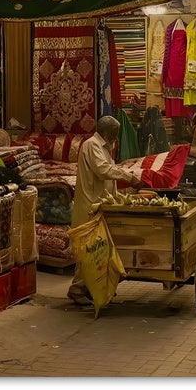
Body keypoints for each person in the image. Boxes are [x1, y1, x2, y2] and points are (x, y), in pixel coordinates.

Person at [67, 114, 143, 305]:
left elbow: (108, 170)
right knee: (89, 248)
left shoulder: (104, 146)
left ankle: (94, 287)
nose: (117, 136)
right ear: (107, 131)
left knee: (98, 248)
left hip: (100, 203)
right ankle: (77, 289)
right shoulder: (92, 145)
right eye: (115, 132)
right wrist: (128, 177)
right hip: (89, 205)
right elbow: (103, 170)